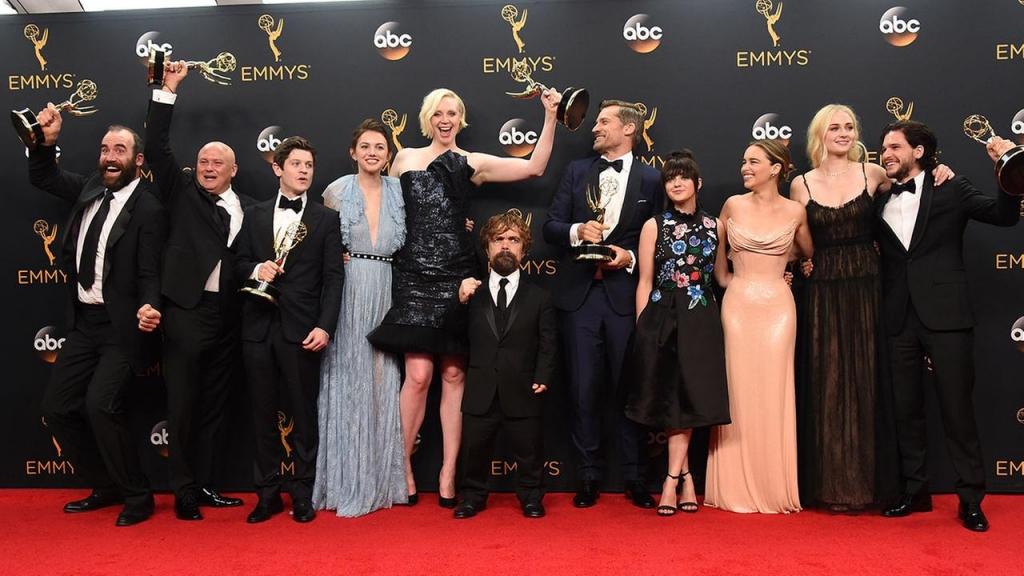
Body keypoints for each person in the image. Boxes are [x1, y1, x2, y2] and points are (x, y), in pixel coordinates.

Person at [368, 87, 561, 507]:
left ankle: (448, 472)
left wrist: (549, 116)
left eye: (453, 113)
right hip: (414, 274)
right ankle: (401, 467)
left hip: (457, 272)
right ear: (427, 117)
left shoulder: (473, 162)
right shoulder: (403, 159)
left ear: (461, 119)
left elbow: (534, 167)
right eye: (439, 112)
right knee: (418, 377)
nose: (446, 119)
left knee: (455, 376)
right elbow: (381, 207)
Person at [789, 105, 953, 512]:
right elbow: (799, 244)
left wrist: (939, 171)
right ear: (819, 134)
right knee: (826, 384)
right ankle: (829, 486)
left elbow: (912, 201)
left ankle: (870, 485)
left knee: (867, 382)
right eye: (835, 127)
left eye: (849, 127)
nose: (843, 133)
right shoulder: (800, 184)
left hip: (869, 288)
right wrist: (797, 264)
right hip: (822, 291)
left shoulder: (874, 174)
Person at [876, 120, 1019, 532]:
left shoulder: (951, 188)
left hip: (947, 316)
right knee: (906, 411)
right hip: (898, 316)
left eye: (893, 147)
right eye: (883, 147)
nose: (885, 154)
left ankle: (971, 500)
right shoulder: (880, 197)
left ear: (918, 151)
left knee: (958, 412)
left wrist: (1007, 171)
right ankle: (914, 491)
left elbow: (1003, 217)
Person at [29, 108, 167, 527]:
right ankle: (104, 484)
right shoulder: (90, 187)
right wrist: (45, 142)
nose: (110, 156)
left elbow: (150, 270)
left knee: (100, 405)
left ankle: (138, 496)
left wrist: (150, 305)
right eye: (105, 148)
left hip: (122, 328)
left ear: (137, 160)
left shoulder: (148, 208)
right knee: (57, 409)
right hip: (84, 325)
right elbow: (44, 177)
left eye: (120, 150)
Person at [542, 99, 663, 509]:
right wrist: (578, 230)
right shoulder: (577, 172)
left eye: (603, 122)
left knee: (630, 389)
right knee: (582, 390)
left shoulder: (651, 179)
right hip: (579, 298)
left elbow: (661, 238)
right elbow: (550, 225)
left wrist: (628, 258)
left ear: (628, 129)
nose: (595, 128)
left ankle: (635, 477)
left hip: (626, 300)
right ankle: (588, 477)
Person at [144, 60, 249, 520]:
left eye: (217, 163)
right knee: (183, 407)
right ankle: (183, 491)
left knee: (212, 408)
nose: (208, 168)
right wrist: (164, 90)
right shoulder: (181, 191)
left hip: (229, 318)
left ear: (234, 170)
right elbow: (155, 146)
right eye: (203, 161)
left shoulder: (249, 209)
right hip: (185, 312)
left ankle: (205, 484)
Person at [234, 136, 344, 524]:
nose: (303, 171)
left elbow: (334, 279)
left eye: (309, 166)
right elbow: (236, 262)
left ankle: (302, 493)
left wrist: (325, 326)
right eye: (296, 164)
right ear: (278, 169)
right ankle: (266, 494)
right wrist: (255, 269)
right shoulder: (254, 214)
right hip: (258, 329)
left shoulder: (326, 219)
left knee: (303, 415)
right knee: (262, 414)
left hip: (302, 330)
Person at [704, 139, 812, 514]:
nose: (744, 168)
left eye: (753, 161)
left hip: (779, 310)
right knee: (738, 391)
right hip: (737, 305)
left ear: (776, 168)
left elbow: (806, 253)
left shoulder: (797, 210)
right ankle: (733, 484)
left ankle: (773, 485)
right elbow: (719, 269)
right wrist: (739, 281)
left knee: (774, 391)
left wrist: (782, 270)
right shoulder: (732, 205)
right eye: (743, 161)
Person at [623, 150, 730, 516]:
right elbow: (645, 281)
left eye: (683, 177)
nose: (677, 183)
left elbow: (723, 278)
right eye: (670, 179)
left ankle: (675, 479)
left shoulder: (716, 226)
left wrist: (771, 276)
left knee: (691, 397)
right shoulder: (656, 225)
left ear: (697, 183)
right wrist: (642, 327)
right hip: (661, 316)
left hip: (701, 316)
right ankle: (681, 480)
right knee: (670, 397)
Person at [313, 120, 406, 517]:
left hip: (387, 288)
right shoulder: (336, 191)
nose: (372, 152)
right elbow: (317, 238)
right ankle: (342, 481)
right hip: (347, 291)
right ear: (353, 152)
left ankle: (383, 481)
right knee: (346, 377)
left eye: (380, 147)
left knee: (383, 379)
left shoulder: (401, 192)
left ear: (388, 155)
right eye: (365, 145)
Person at [452, 210, 556, 519]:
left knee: (529, 450)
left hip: (523, 386)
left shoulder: (540, 297)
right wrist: (458, 303)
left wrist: (543, 374)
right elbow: (453, 336)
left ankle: (531, 497)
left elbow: (548, 341)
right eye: (499, 240)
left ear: (525, 249)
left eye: (514, 239)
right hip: (481, 386)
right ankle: (471, 496)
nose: (506, 245)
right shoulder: (472, 293)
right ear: (487, 248)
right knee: (474, 449)